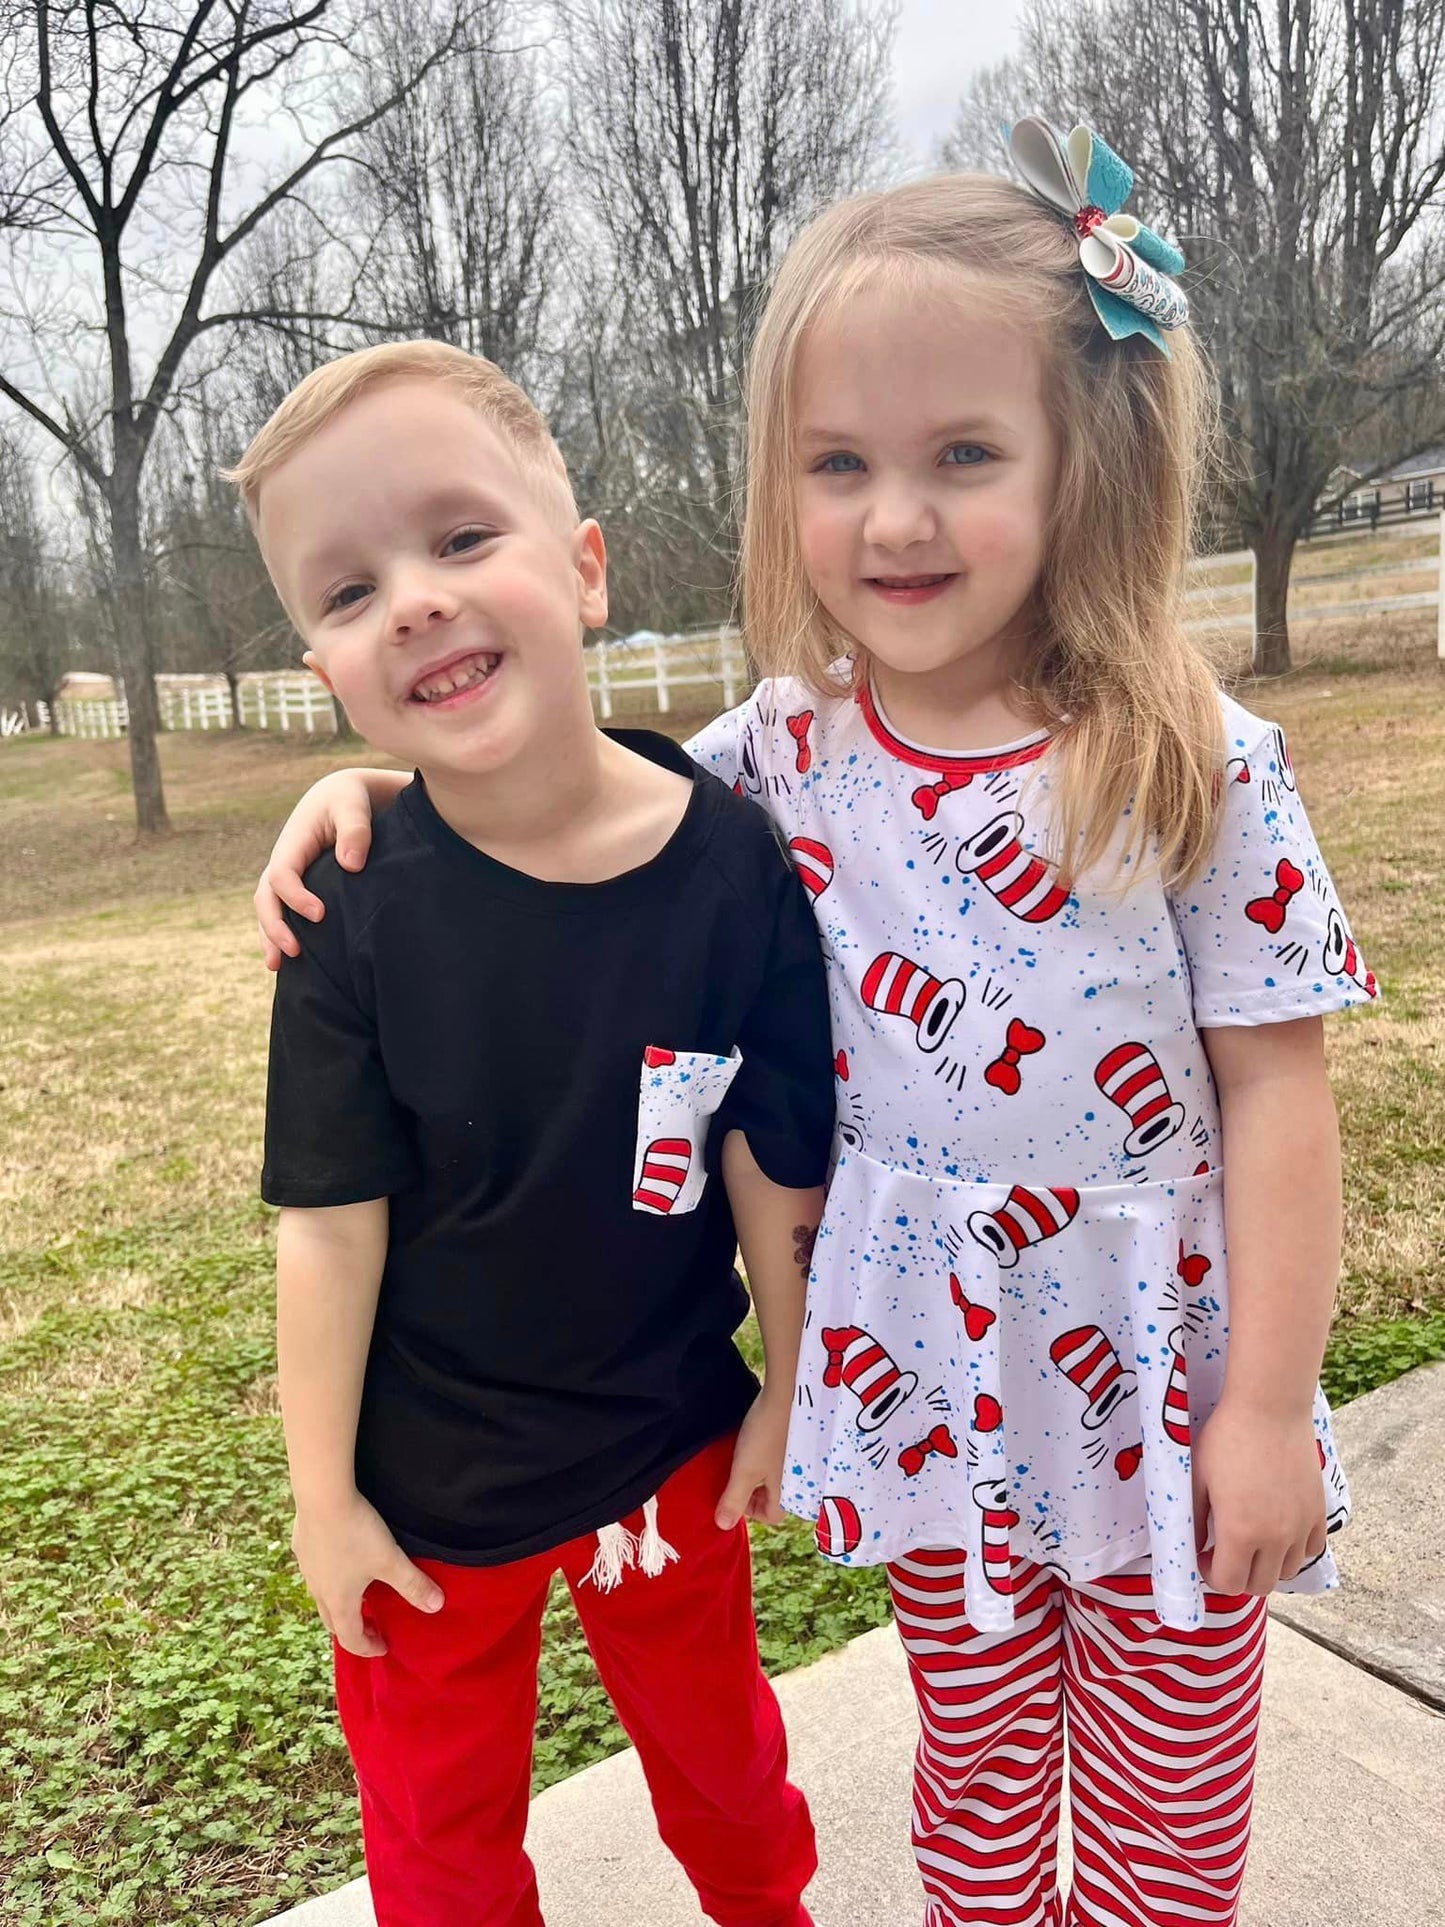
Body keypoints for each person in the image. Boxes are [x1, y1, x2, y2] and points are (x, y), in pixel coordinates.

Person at [252, 123, 1378, 1927]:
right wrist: (368, 782)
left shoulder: (1196, 760)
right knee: (976, 1795)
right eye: (837, 463)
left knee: (1169, 1832)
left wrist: (1260, 1409)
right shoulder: (780, 756)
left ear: (1078, 463)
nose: (894, 516)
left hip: (1154, 1389)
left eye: (961, 457)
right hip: (934, 1392)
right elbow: (554, 797)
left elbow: (1279, 1102)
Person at [228, 339, 836, 1927]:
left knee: (727, 1775)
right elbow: (328, 1220)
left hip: (670, 1446)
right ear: (326, 675)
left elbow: (770, 1150)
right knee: (437, 1845)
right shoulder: (349, 903)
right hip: (426, 1496)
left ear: (580, 572)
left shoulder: (733, 871)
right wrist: (322, 1498)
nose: (412, 599)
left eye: (456, 538)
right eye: (346, 591)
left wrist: (787, 1382)